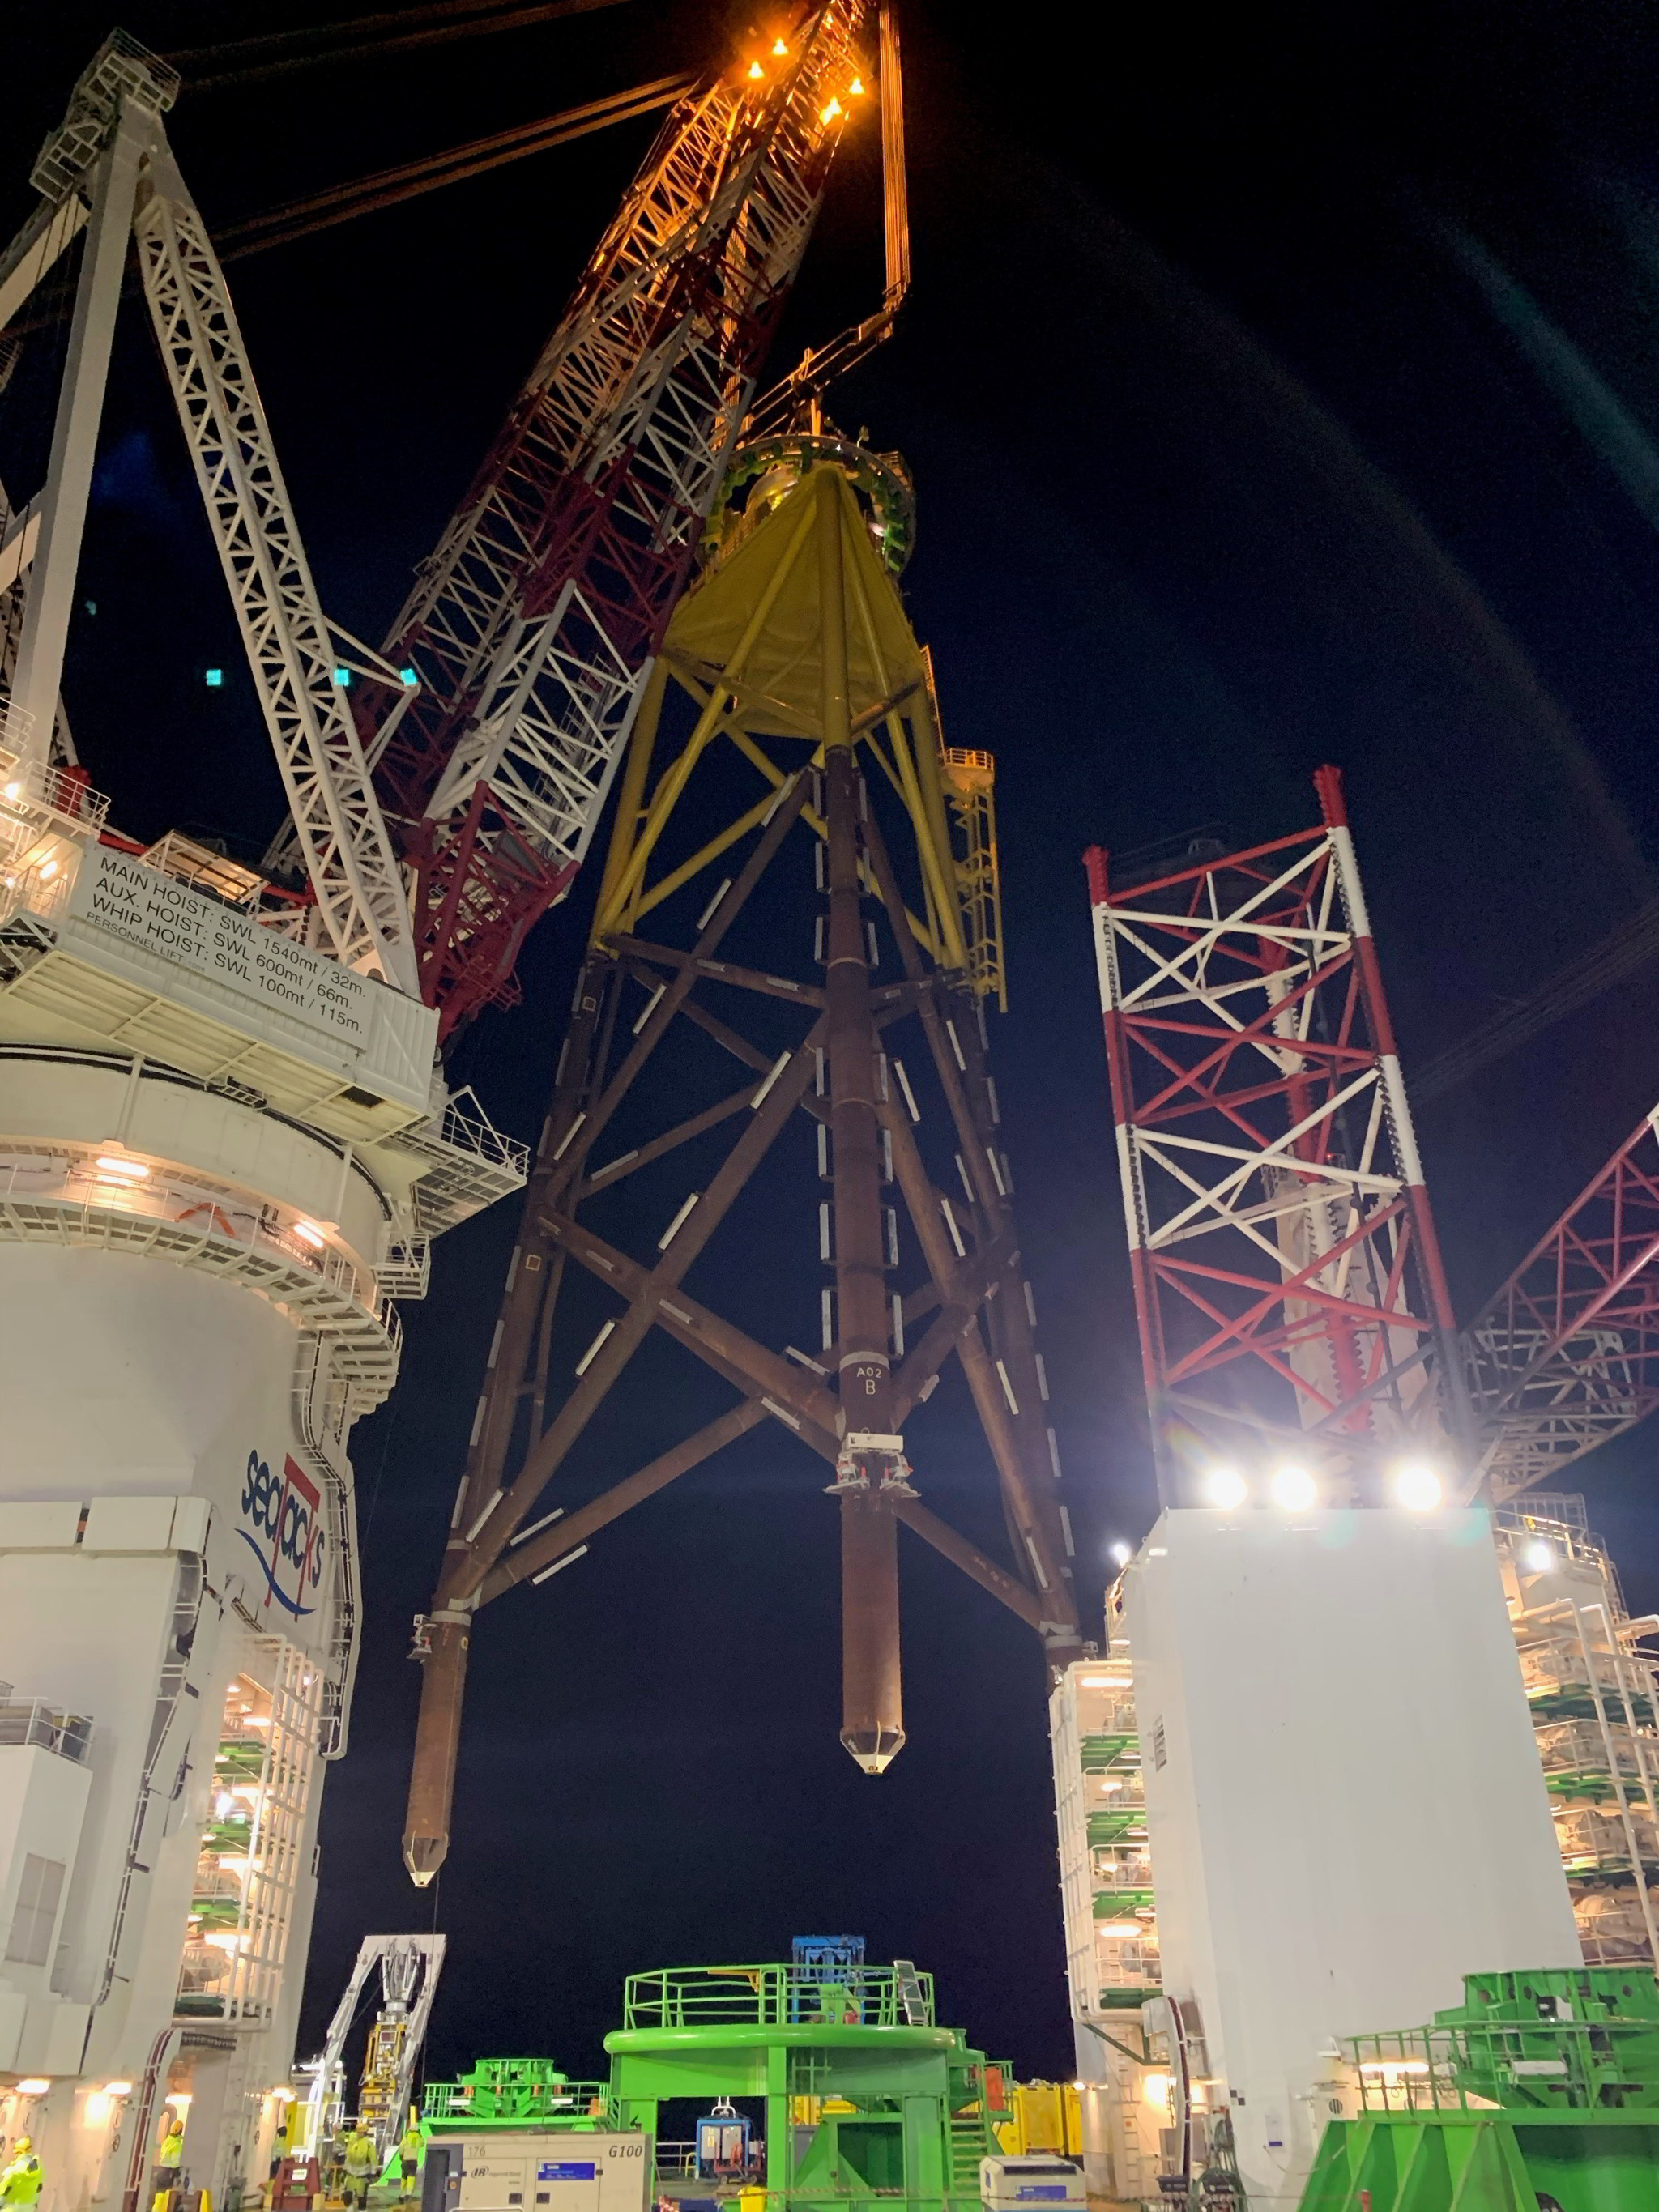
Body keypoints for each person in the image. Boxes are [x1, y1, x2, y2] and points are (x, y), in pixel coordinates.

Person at [152, 2116, 186, 2208]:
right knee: (168, 2198)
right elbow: (176, 2162)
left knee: (159, 2198)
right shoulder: (177, 2145)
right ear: (180, 2131)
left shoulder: (166, 2141)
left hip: (161, 2171)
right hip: (170, 2173)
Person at [342, 2126, 377, 2210]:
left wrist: (373, 2173)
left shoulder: (369, 2145)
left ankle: (362, 2210)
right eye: (358, 2131)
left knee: (361, 2198)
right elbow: (348, 2157)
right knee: (347, 2196)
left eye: (361, 2132)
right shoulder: (353, 2143)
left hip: (362, 2175)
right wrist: (345, 2170)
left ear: (365, 2133)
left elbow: (373, 2159)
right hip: (351, 2175)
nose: (358, 2133)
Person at [0, 2137, 41, 2205]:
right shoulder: (38, 2167)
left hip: (13, 2206)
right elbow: (39, 2188)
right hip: (29, 2206)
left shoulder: (16, 2169)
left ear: (19, 2152)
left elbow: (4, 2189)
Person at [396, 2122, 423, 2202]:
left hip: (405, 2160)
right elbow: (423, 2144)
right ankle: (408, 2193)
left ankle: (401, 2194)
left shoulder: (406, 2137)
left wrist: (401, 2157)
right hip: (413, 2160)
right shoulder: (419, 2137)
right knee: (411, 2176)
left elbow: (400, 2148)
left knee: (404, 2176)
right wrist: (420, 2134)